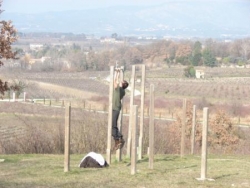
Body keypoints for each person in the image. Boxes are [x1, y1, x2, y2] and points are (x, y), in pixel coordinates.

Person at [112, 68, 129, 150]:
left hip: (115, 108)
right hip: (115, 108)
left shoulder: (118, 90)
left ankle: (120, 138)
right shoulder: (123, 91)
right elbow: (116, 82)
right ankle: (117, 141)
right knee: (112, 126)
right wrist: (118, 73)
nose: (120, 82)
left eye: (122, 82)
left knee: (113, 125)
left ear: (122, 85)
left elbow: (114, 81)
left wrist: (117, 73)